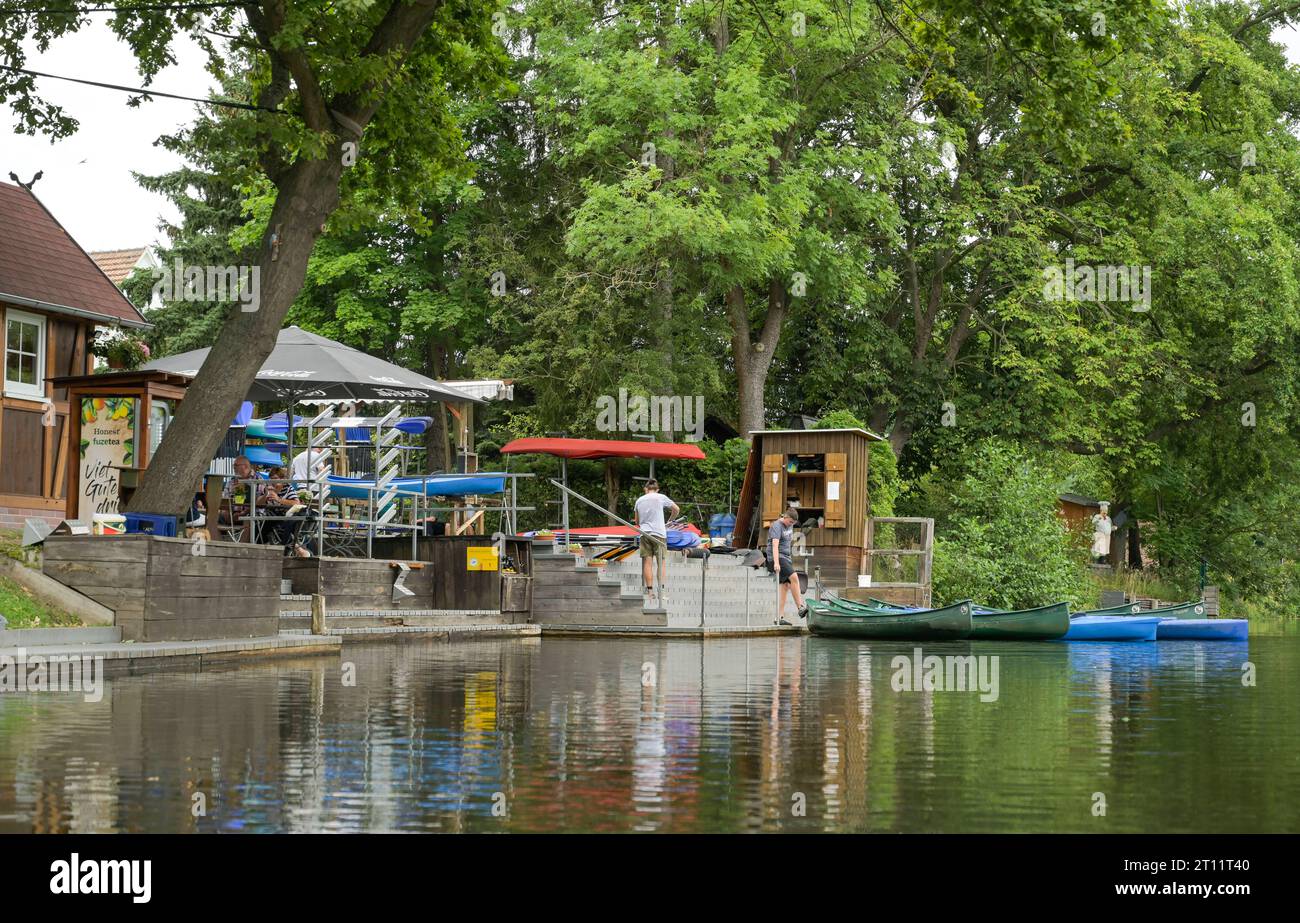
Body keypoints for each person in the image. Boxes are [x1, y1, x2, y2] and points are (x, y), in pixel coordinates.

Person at [634, 479, 679, 603]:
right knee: (661, 563)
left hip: (645, 534)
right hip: (659, 534)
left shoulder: (639, 500)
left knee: (647, 563)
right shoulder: (661, 497)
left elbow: (637, 522)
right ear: (657, 489)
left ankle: (650, 592)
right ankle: (662, 592)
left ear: (645, 489)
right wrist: (669, 522)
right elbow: (676, 509)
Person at [768, 507, 809, 624]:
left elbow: (786, 542)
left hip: (785, 557)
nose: (791, 524)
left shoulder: (789, 525)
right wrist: (776, 562)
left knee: (785, 586)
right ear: (785, 517)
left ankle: (779, 618)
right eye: (790, 522)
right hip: (777, 557)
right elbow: (775, 545)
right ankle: (800, 607)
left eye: (793, 523)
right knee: (794, 577)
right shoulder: (776, 526)